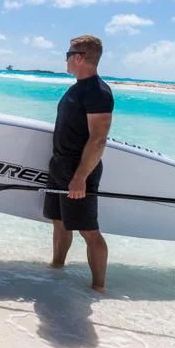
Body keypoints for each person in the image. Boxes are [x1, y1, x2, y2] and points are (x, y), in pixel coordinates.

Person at [42, 35, 114, 292]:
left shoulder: (97, 92)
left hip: (78, 170)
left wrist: (81, 176)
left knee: (88, 231)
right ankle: (56, 269)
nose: (66, 59)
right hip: (60, 166)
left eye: (68, 54)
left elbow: (98, 140)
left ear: (79, 57)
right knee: (59, 222)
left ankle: (98, 288)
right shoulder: (77, 87)